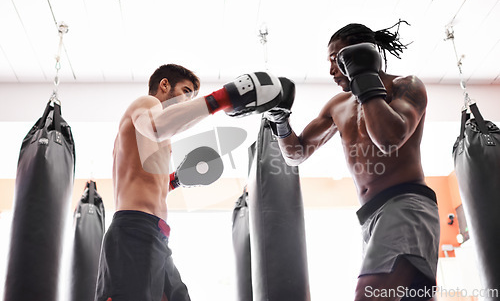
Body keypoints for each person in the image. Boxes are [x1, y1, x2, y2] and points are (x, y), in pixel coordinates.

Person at [265, 21, 440, 301]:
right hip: (370, 217)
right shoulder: (337, 105)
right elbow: (296, 154)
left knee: (369, 294)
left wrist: (364, 79)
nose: (332, 70)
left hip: (405, 207)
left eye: (336, 59)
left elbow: (389, 138)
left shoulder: (405, 86)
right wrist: (280, 120)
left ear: (360, 54)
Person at [95, 64, 283, 301]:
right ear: (164, 85)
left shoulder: (159, 137)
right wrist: (222, 98)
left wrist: (176, 180)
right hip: (133, 232)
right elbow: (156, 127)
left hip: (155, 234)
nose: (187, 101)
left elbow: (148, 184)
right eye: (185, 91)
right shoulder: (146, 104)